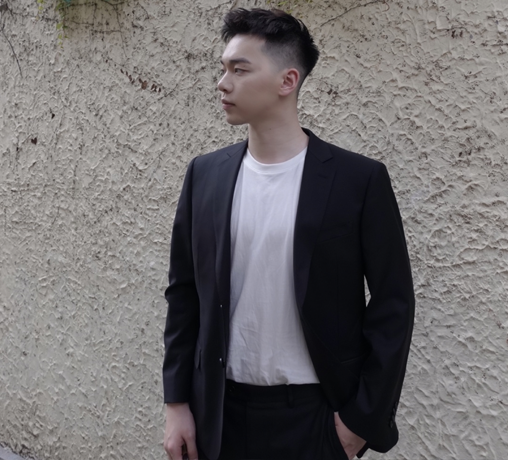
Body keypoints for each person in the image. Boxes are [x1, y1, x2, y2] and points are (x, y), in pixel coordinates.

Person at [162, 8, 415, 460]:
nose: (222, 83)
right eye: (223, 68)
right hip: (218, 415)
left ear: (288, 80)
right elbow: (184, 295)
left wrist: (359, 422)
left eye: (239, 69)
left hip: (315, 418)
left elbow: (393, 305)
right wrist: (176, 403)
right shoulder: (206, 175)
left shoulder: (358, 181)